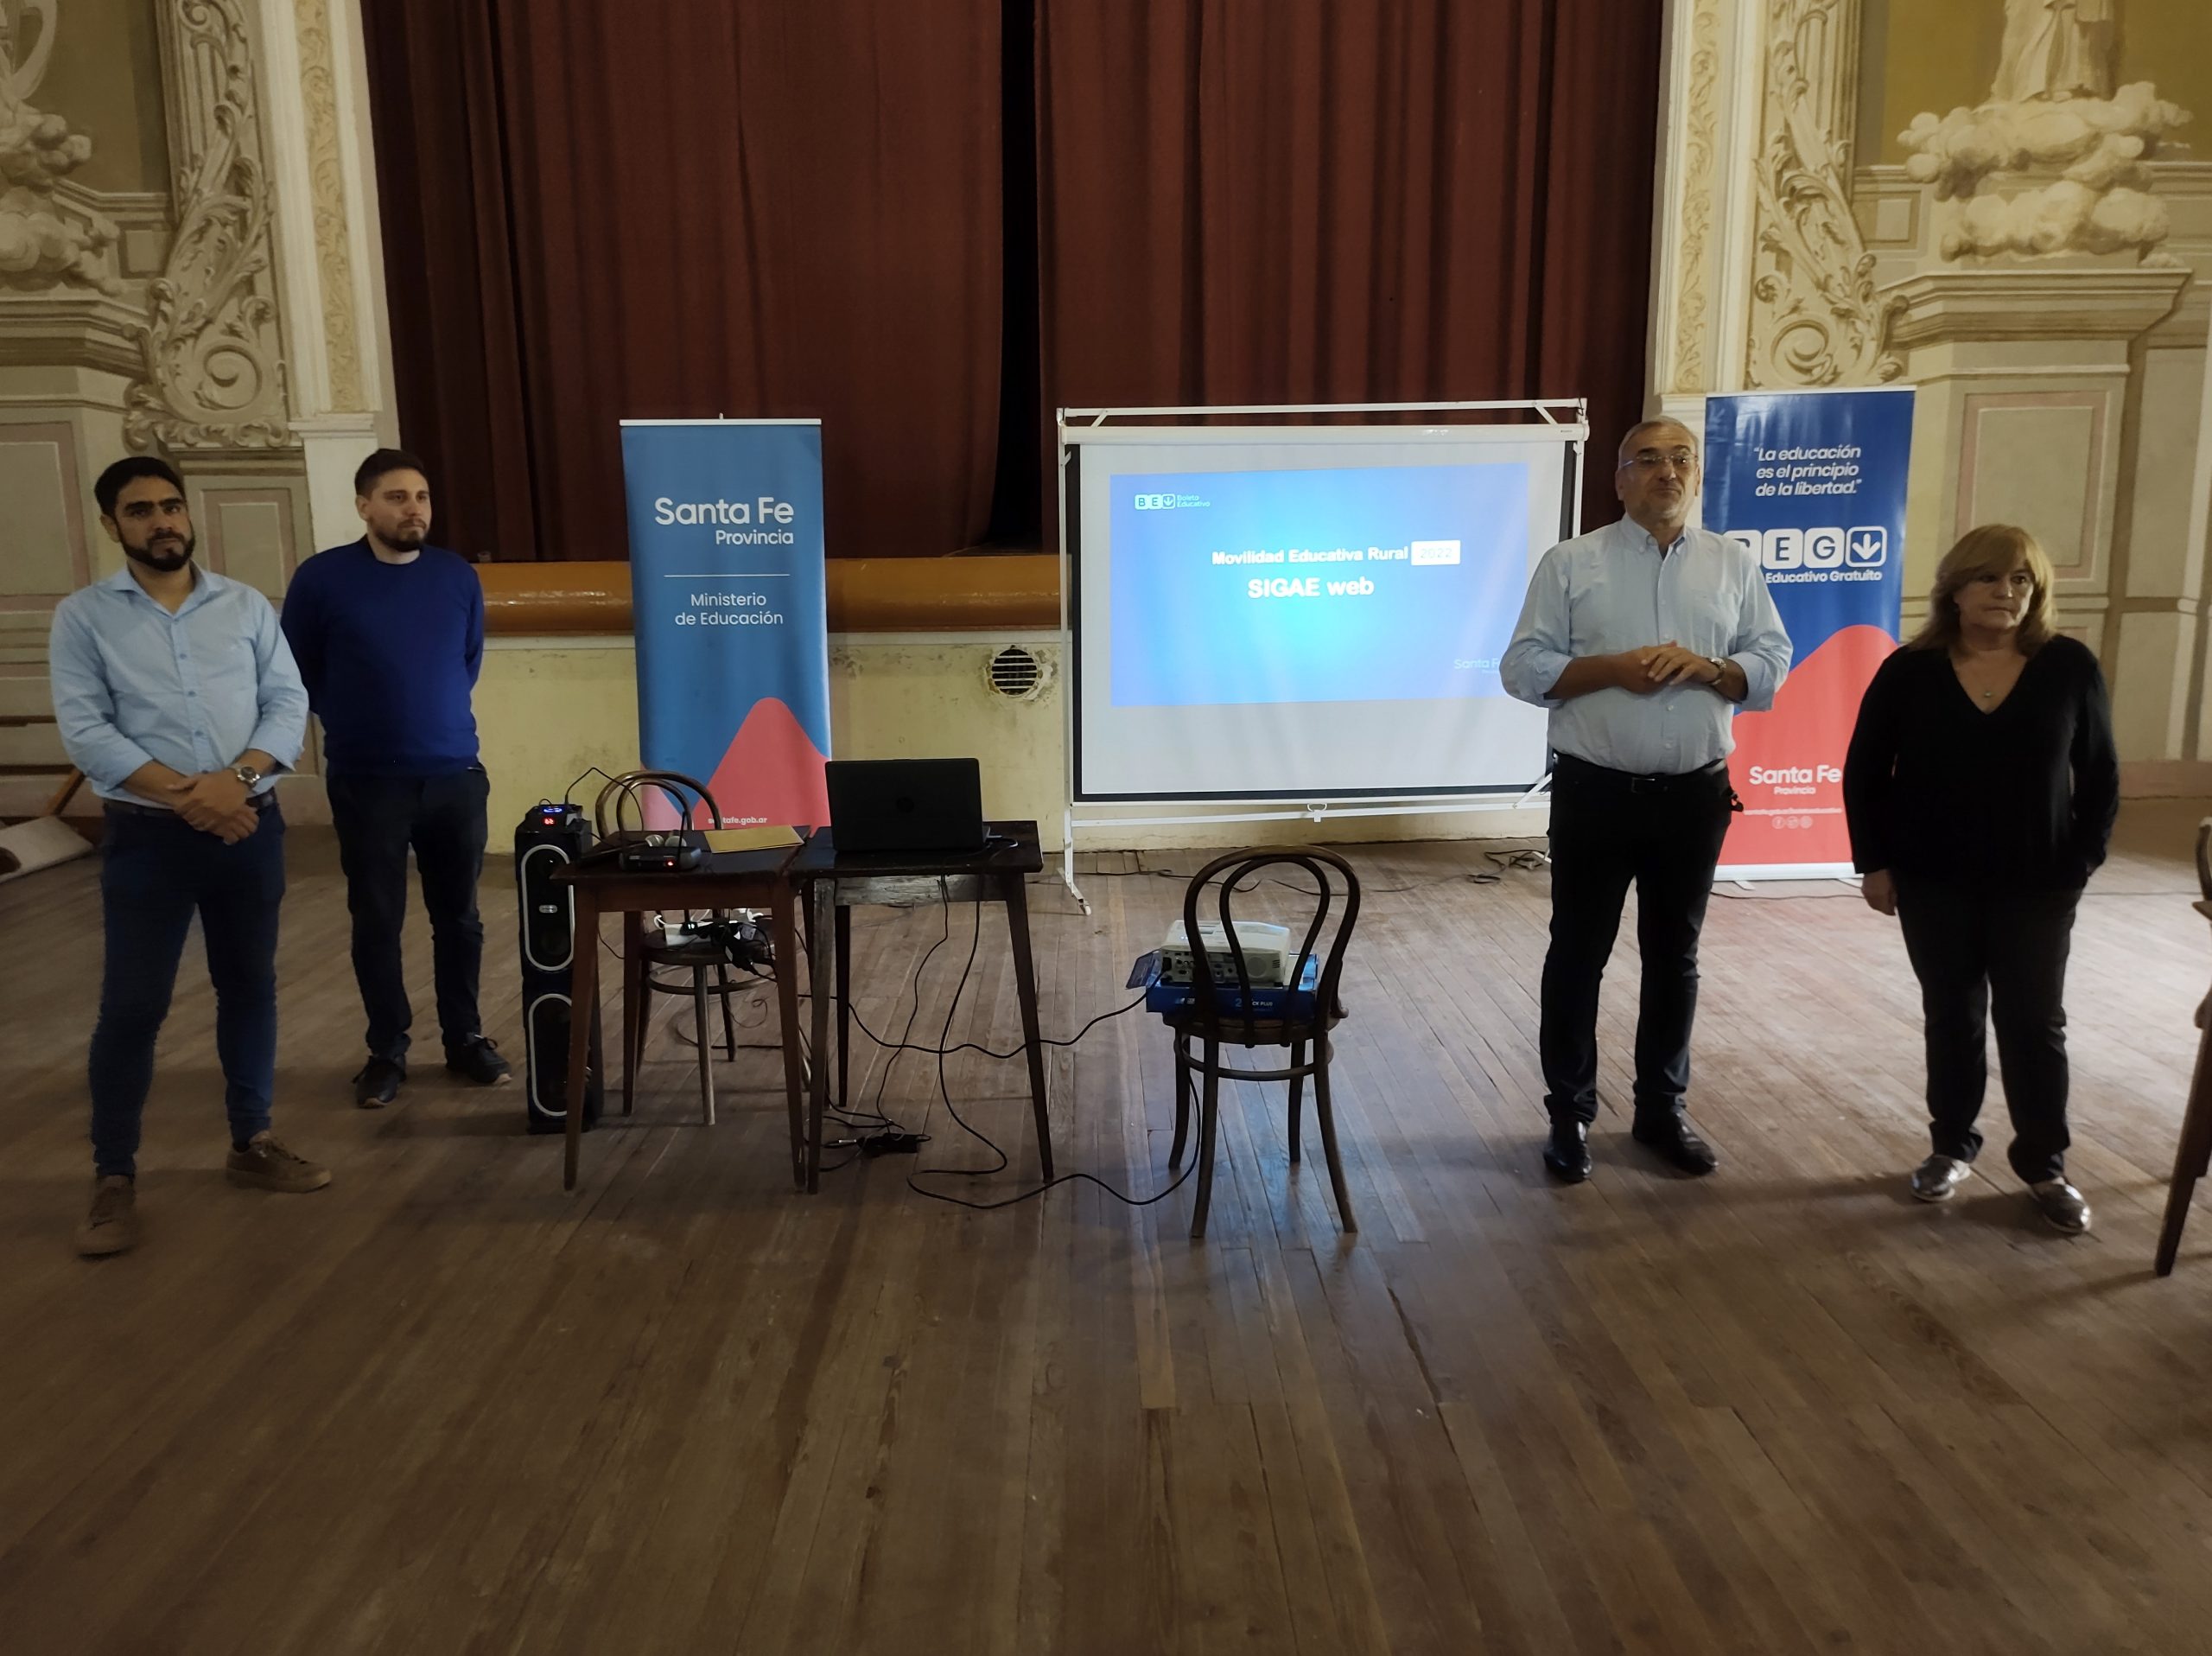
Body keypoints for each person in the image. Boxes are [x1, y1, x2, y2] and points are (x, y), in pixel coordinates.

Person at [49, 456, 328, 1258]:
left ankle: (252, 1142)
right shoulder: (83, 618)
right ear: (112, 525)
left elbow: (287, 701)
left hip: (249, 827)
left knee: (249, 988)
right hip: (148, 839)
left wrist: (233, 784)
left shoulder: (243, 605)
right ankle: (113, 1176)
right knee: (133, 1008)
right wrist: (192, 797)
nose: (162, 521)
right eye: (140, 511)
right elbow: (88, 730)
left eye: (171, 506)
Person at [1501, 417, 1793, 1183]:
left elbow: (1772, 660)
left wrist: (1713, 669)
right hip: (1596, 792)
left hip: (1695, 796)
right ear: (1620, 479)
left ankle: (1662, 1111)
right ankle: (1569, 1114)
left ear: (1697, 476)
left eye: (1681, 459)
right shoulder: (1573, 563)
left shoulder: (1732, 564)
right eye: (1649, 459)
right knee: (1578, 954)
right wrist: (1612, 669)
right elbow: (1523, 667)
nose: (1668, 471)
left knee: (1675, 957)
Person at [1842, 524, 2117, 1233]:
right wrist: (1874, 863)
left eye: (2022, 579)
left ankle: (2046, 1165)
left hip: (2038, 882)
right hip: (1934, 879)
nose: (2006, 591)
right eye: (1990, 577)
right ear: (1956, 589)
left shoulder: (2068, 667)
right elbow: (1865, 771)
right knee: (1952, 1014)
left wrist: (2081, 860)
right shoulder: (1910, 670)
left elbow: (2101, 776)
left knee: (2034, 1021)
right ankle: (1950, 1147)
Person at [282, 449, 508, 1108]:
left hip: (454, 776)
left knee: (460, 919)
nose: (414, 509)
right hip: (368, 779)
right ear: (364, 506)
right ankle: (387, 1050)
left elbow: (466, 661)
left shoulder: (455, 576)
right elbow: (298, 670)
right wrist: (360, 719)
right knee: (377, 920)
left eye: (422, 497)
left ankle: (465, 1038)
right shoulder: (322, 579)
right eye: (397, 497)